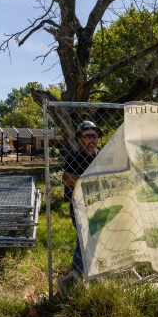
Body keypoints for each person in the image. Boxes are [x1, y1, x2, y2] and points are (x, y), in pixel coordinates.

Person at [57, 120, 101, 294]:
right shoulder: (75, 156)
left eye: (94, 135)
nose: (92, 139)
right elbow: (66, 178)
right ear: (79, 139)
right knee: (84, 243)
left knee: (97, 243)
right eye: (87, 136)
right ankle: (73, 282)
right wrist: (89, 178)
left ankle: (95, 278)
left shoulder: (102, 155)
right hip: (80, 206)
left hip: (101, 204)